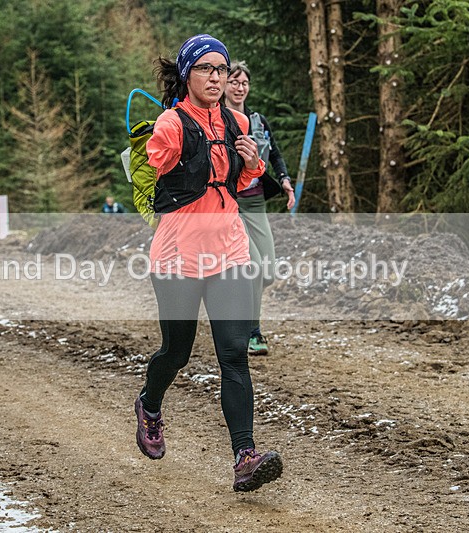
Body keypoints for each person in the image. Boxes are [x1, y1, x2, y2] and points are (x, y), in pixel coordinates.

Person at [134, 34, 283, 492]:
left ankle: (245, 456)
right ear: (187, 75)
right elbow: (158, 166)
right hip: (178, 254)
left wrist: (252, 162)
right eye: (205, 68)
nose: (216, 77)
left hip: (230, 251)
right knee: (176, 352)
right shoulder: (171, 122)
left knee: (234, 354)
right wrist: (172, 145)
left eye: (222, 69)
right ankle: (150, 404)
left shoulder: (238, 122)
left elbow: (243, 178)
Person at [223, 61, 295, 356]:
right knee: (252, 268)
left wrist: (285, 180)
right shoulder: (217, 119)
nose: (239, 88)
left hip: (256, 202)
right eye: (234, 82)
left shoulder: (257, 120)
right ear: (224, 86)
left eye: (244, 83)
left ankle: (236, 306)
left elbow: (274, 153)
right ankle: (252, 333)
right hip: (230, 203)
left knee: (267, 272)